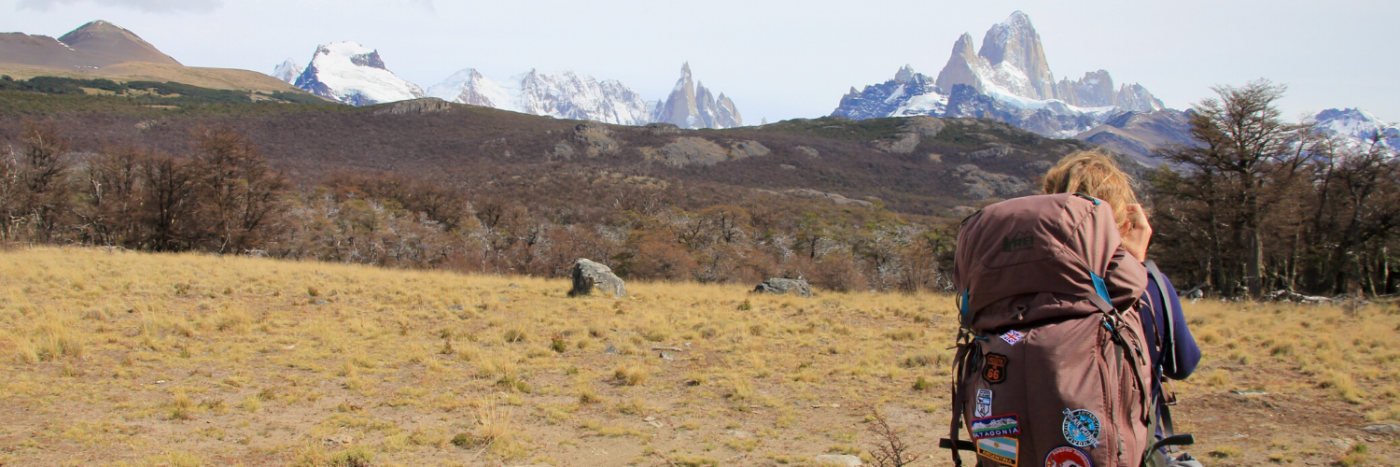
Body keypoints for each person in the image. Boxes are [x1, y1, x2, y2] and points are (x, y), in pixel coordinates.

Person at [1042, 150, 1203, 465]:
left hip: (1033, 449)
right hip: (1124, 453)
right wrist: (1136, 268)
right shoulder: (1149, 285)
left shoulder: (1019, 281)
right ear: (1124, 218)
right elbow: (1182, 364)